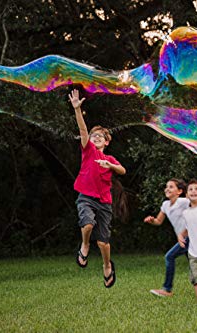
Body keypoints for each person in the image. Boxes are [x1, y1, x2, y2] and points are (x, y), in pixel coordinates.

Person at [69, 89, 126, 288]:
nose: (96, 137)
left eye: (100, 136)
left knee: (103, 242)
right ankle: (84, 244)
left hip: (104, 202)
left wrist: (110, 166)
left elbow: (122, 170)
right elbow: (83, 131)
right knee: (87, 224)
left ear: (107, 141)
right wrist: (77, 110)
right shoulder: (88, 151)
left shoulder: (109, 159)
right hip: (86, 197)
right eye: (94, 136)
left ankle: (107, 265)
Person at [144, 179, 190, 297]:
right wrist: (152, 220)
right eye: (166, 187)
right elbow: (159, 221)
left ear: (179, 191)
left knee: (169, 256)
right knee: (196, 266)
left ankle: (167, 289)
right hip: (182, 239)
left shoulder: (183, 201)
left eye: (171, 187)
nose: (167, 189)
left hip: (190, 237)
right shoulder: (165, 205)